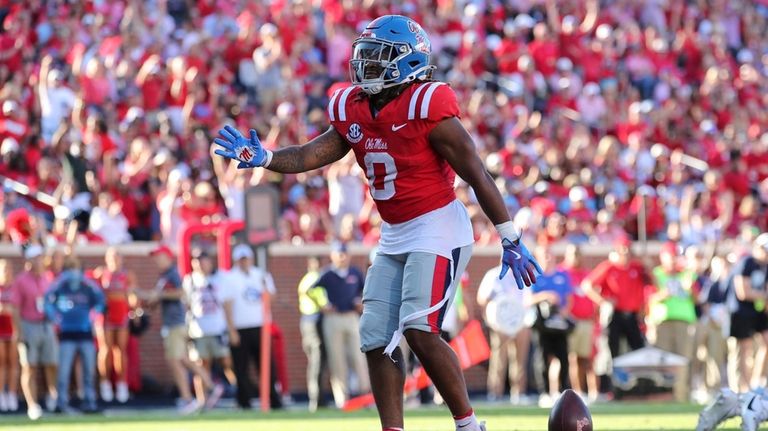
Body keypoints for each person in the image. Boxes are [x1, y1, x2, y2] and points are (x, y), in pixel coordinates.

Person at [213, 15, 541, 431]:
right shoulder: (352, 106)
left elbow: (478, 174)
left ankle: (469, 425)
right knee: (374, 338)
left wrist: (509, 236)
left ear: (408, 61)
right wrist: (266, 158)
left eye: (378, 56)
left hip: (438, 226)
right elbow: (314, 154)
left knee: (420, 331)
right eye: (364, 55)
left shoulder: (428, 107)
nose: (365, 64)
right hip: (394, 233)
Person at [147, 245, 220, 415]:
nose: (157, 260)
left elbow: (181, 293)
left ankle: (188, 398)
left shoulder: (172, 273)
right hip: (174, 323)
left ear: (167, 257)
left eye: (159, 256)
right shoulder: (164, 276)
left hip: (176, 323)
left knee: (175, 360)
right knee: (183, 359)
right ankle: (211, 385)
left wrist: (159, 295)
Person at [219, 244, 282, 410]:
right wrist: (231, 330)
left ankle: (273, 399)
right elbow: (227, 304)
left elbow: (272, 297)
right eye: (241, 259)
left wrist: (266, 286)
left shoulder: (260, 275)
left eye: (246, 259)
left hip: (260, 326)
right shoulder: (229, 278)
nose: (244, 262)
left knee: (267, 366)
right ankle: (244, 401)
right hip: (240, 327)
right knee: (241, 367)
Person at [44, 256, 104, 413]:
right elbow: (47, 299)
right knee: (63, 371)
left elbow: (100, 300)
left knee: (89, 371)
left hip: (85, 334)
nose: (73, 272)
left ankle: (90, 402)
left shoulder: (87, 286)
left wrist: (93, 316)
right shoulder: (60, 285)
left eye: (76, 268)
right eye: (70, 268)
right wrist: (55, 318)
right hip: (67, 335)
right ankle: (61, 403)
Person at [313, 241, 370, 408]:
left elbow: (365, 290)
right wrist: (323, 305)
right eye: (339, 253)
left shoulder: (354, 272)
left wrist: (361, 302)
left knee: (358, 357)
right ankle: (342, 399)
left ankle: (364, 395)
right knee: (337, 360)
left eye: (345, 253)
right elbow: (310, 290)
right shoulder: (327, 274)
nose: (342, 257)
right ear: (333, 255)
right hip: (333, 318)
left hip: (351, 317)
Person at [582, 237, 648, 358]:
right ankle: (611, 375)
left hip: (632, 315)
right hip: (614, 314)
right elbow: (587, 286)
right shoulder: (609, 267)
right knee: (612, 350)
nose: (626, 253)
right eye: (623, 249)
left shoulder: (637, 268)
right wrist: (603, 301)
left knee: (638, 349)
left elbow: (650, 283)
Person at [12, 244, 58, 420]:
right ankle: (32, 405)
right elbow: (15, 308)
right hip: (28, 324)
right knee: (29, 366)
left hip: (46, 325)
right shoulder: (21, 280)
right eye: (37, 257)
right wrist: (19, 331)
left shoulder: (46, 278)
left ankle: (53, 399)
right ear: (30, 260)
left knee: (51, 363)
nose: (41, 260)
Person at [182, 250, 232, 408]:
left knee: (227, 363)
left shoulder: (221, 278)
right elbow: (186, 306)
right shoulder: (190, 281)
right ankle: (202, 401)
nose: (200, 264)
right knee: (201, 365)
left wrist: (231, 328)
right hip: (198, 330)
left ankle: (240, 394)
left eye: (203, 260)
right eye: (196, 261)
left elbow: (227, 304)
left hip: (218, 329)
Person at [476, 264, 532, 405]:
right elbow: (482, 299)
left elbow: (529, 298)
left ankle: (519, 393)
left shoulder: (523, 274)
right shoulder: (494, 274)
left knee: (520, 360)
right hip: (500, 323)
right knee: (499, 360)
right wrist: (490, 319)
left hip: (521, 322)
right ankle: (495, 393)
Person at [529, 246, 573, 407]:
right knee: (542, 358)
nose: (548, 258)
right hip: (542, 323)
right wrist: (545, 296)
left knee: (563, 358)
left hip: (559, 323)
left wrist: (563, 312)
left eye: (550, 254)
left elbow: (569, 299)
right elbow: (527, 300)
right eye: (544, 255)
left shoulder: (562, 275)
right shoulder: (534, 275)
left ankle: (563, 392)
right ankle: (544, 392)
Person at [92, 247, 136, 403]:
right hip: (106, 317)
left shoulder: (127, 275)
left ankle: (122, 384)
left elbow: (132, 295)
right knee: (105, 350)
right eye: (112, 257)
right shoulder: (101, 274)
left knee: (120, 351)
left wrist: (135, 308)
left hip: (121, 316)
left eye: (117, 257)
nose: (115, 260)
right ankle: (105, 384)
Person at [559, 244, 598, 403]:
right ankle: (577, 393)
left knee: (588, 359)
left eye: (578, 253)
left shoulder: (588, 274)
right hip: (570, 323)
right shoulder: (561, 273)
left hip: (587, 321)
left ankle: (593, 393)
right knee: (571, 359)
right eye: (573, 253)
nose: (576, 257)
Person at [731, 233, 768, 392]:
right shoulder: (747, 263)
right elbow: (743, 292)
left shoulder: (765, 267)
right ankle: (743, 386)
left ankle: (757, 381)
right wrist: (763, 296)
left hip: (757, 311)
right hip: (742, 311)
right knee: (744, 349)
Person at [297, 256, 329, 412]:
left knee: (316, 360)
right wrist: (323, 306)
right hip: (314, 319)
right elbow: (310, 293)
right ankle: (316, 399)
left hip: (307, 321)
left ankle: (317, 397)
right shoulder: (315, 277)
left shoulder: (307, 277)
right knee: (317, 360)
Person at [0, 259, 20, 412]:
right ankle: (1, 395)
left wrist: (18, 330)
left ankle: (12, 394)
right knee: (2, 363)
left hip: (12, 330)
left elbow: (18, 309)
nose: (7, 272)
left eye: (9, 268)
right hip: (1, 330)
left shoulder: (15, 288)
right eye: (4, 269)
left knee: (13, 363)